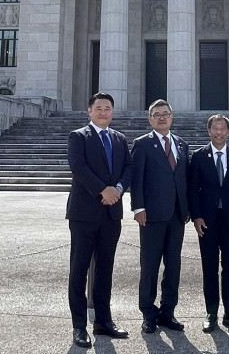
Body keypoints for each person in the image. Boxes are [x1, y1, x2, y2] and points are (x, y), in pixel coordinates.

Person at [66, 92, 133, 349]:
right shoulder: (78, 137)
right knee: (79, 270)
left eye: (108, 108)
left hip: (110, 213)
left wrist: (116, 188)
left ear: (112, 112)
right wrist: (102, 190)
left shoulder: (119, 139)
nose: (104, 112)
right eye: (99, 108)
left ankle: (104, 321)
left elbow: (128, 168)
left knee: (105, 268)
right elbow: (78, 167)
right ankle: (79, 326)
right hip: (84, 213)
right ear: (89, 111)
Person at [130, 99, 190, 334]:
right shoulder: (142, 144)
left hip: (177, 215)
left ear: (172, 117)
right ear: (150, 119)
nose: (162, 118)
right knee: (150, 265)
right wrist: (139, 208)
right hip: (152, 215)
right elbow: (137, 180)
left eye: (165, 114)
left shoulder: (182, 145)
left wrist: (188, 209)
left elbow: (185, 179)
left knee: (173, 264)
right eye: (157, 115)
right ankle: (147, 312)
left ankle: (168, 311)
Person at [189, 114, 229, 333]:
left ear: (228, 132)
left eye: (222, 129)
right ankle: (211, 312)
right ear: (209, 131)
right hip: (207, 221)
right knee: (209, 268)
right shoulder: (198, 156)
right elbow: (192, 190)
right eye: (215, 128)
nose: (219, 132)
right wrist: (196, 216)